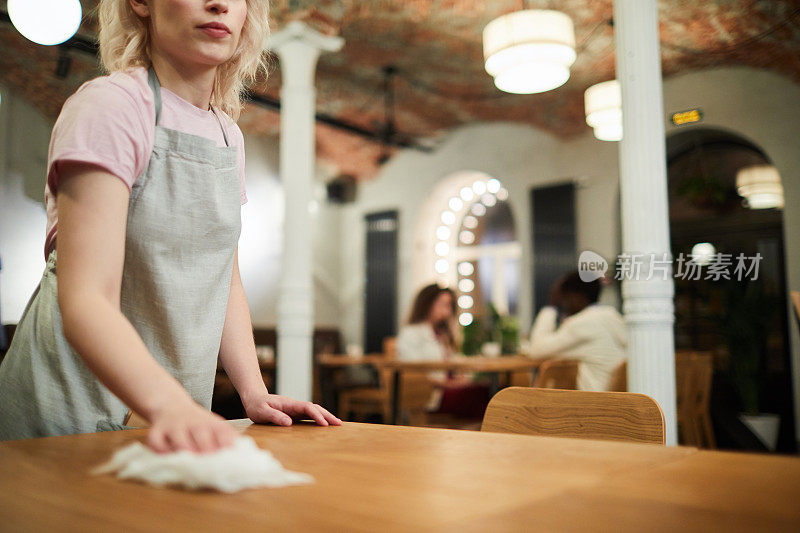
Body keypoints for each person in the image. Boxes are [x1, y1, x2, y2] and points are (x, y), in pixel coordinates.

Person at [0, 0, 340, 451]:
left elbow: (223, 276)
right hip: (68, 408)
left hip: (168, 409)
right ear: (141, 3)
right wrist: (168, 404)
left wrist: (254, 393)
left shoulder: (227, 134)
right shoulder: (111, 106)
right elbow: (85, 298)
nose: (218, 4)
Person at [397, 284, 488, 419]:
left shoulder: (442, 334)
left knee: (491, 390)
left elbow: (452, 363)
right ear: (427, 304)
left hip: (447, 389)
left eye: (449, 306)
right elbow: (416, 374)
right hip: (430, 395)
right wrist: (450, 384)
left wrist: (461, 379)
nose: (447, 312)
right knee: (486, 395)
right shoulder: (411, 333)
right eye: (443, 305)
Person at [527, 272, 627, 391]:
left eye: (563, 299)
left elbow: (536, 350)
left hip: (595, 403)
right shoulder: (612, 316)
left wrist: (551, 306)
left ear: (576, 297)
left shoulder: (581, 324)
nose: (563, 307)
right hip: (621, 400)